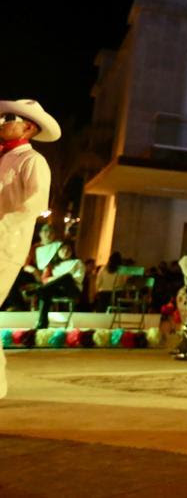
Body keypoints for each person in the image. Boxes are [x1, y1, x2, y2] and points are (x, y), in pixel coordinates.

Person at [0, 98, 60, 398]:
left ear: (28, 127)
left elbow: (35, 203)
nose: (1, 122)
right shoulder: (4, 157)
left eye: (8, 118)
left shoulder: (33, 161)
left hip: (6, 245)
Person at [28, 241, 85, 328]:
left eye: (68, 250)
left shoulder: (77, 262)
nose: (65, 251)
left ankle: (37, 290)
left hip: (73, 290)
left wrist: (58, 278)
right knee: (45, 292)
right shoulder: (55, 266)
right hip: (59, 290)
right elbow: (47, 279)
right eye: (63, 249)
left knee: (67, 277)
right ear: (58, 251)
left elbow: (78, 278)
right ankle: (42, 323)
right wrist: (56, 278)